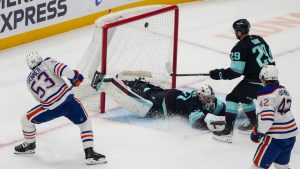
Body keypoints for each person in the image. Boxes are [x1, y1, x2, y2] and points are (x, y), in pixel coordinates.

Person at [14, 52, 107, 165]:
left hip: (51, 109)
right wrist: (74, 76)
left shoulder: (28, 81)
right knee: (85, 123)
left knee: (25, 119)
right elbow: (63, 69)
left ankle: (29, 145)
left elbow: (38, 98)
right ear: (40, 59)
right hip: (68, 103)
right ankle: (90, 153)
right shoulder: (47, 62)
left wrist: (52, 101)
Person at [208, 19, 276, 143]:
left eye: (235, 31)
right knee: (245, 97)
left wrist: (219, 73)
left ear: (239, 32)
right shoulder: (258, 38)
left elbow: (236, 72)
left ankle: (227, 131)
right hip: (272, 79)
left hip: (255, 81)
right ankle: (253, 123)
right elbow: (270, 57)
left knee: (232, 98)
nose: (235, 33)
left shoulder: (239, 47)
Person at [92, 72, 226, 131]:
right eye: (207, 98)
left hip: (166, 94)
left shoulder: (207, 100)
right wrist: (220, 123)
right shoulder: (195, 104)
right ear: (201, 96)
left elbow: (223, 107)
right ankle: (105, 82)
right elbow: (196, 123)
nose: (210, 101)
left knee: (147, 90)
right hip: (161, 105)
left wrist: (232, 113)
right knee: (140, 100)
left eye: (211, 98)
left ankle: (129, 82)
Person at [250, 65, 298, 169]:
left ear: (264, 77)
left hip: (276, 137)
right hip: (290, 135)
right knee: (282, 166)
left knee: (257, 166)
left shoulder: (265, 92)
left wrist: (258, 132)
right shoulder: (283, 89)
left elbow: (267, 118)